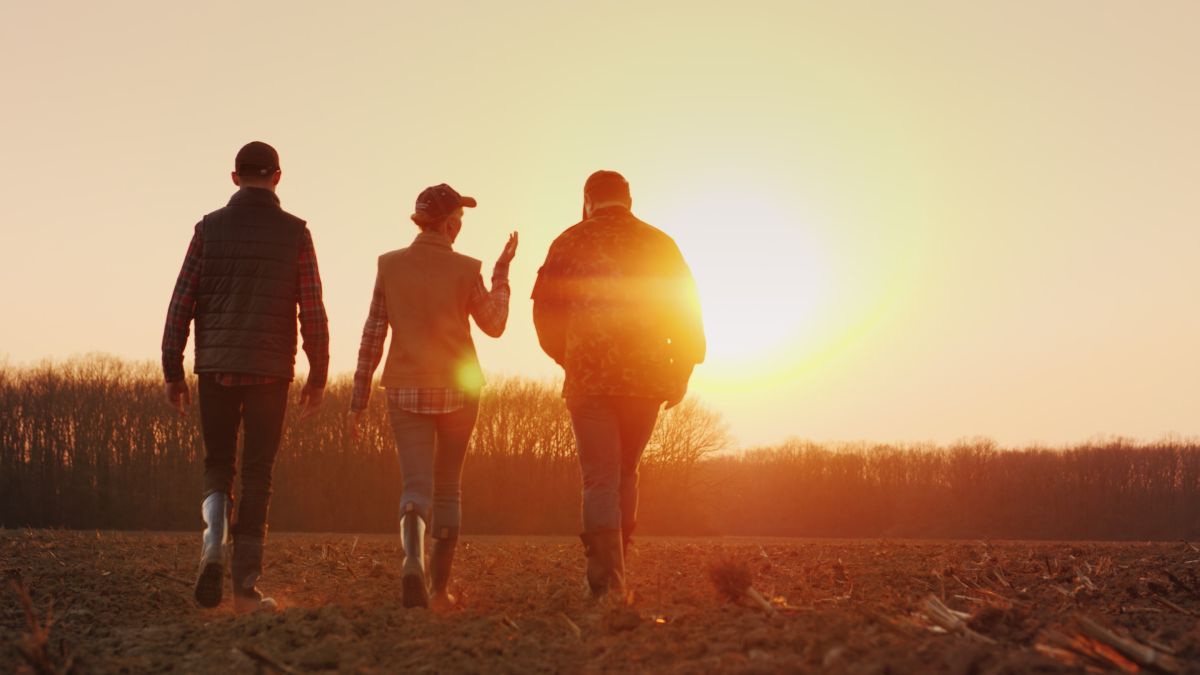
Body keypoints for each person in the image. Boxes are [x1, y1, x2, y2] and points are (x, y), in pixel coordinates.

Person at [161, 141, 329, 613]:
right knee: (258, 474)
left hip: (215, 367)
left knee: (218, 464)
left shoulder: (207, 229)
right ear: (277, 176)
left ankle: (212, 542)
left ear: (234, 177)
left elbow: (181, 303)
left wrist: (173, 370)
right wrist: (318, 373)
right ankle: (245, 588)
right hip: (271, 372)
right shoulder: (296, 233)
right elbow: (311, 307)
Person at [532, 170, 705, 599]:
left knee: (599, 479)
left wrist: (567, 357)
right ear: (628, 199)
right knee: (627, 471)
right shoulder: (660, 244)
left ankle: (604, 577)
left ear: (588, 199)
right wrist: (682, 368)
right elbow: (687, 312)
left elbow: (544, 314)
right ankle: (620, 568)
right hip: (645, 381)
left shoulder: (568, 241)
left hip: (589, 381)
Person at [349, 184, 517, 609]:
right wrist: (501, 275)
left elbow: (373, 333)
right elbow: (494, 324)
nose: (460, 225)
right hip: (460, 390)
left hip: (405, 387)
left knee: (416, 485)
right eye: (458, 218)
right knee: (448, 489)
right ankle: (440, 590)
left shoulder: (389, 265)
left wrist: (359, 395)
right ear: (447, 224)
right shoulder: (467, 268)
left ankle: (411, 559)